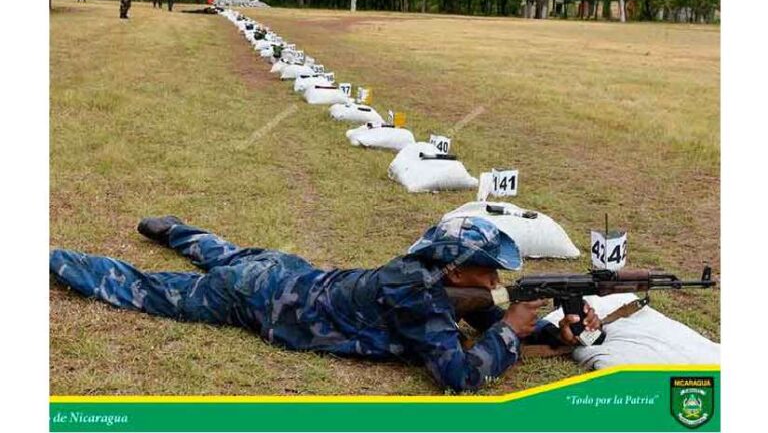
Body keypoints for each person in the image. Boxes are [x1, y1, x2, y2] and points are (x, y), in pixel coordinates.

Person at [49, 216, 600, 392]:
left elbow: (482, 312)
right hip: (265, 301)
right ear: (454, 268)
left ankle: (173, 229)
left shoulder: (434, 277)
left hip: (290, 273)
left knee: (228, 253)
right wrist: (510, 331)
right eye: (489, 269)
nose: (498, 279)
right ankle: (53, 258)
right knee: (148, 290)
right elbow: (457, 376)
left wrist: (555, 333)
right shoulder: (413, 293)